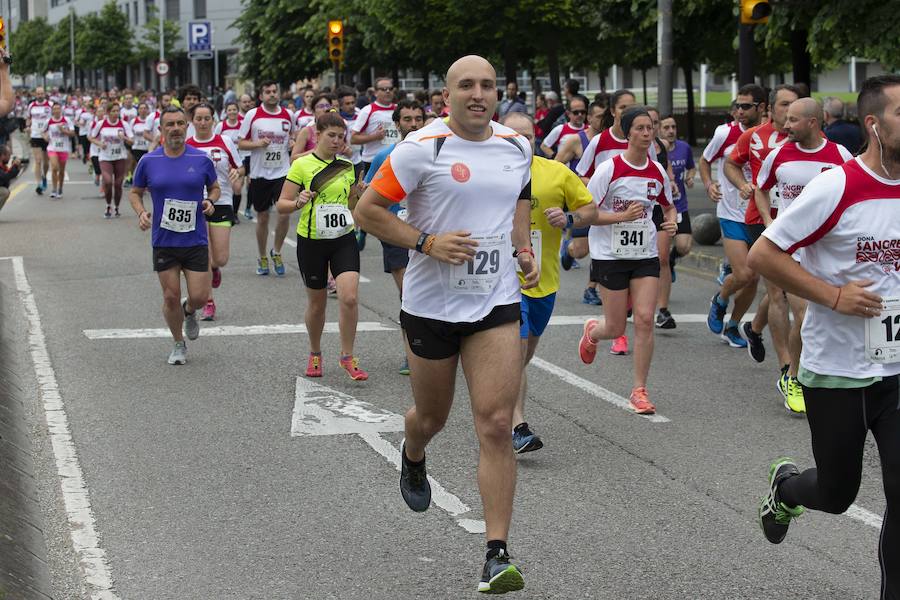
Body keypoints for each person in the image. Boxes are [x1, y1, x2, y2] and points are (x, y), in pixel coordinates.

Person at [355, 55, 537, 594]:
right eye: (466, 86)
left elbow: (520, 194)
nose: (478, 94)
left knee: (497, 424)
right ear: (447, 96)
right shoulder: (420, 149)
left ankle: (496, 553)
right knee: (431, 417)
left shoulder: (517, 145)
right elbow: (368, 210)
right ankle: (413, 451)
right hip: (431, 306)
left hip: (495, 300)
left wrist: (523, 246)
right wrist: (427, 242)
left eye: (487, 85)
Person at [749, 74, 900, 600]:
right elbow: (764, 255)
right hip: (839, 369)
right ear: (875, 124)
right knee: (838, 493)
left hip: (897, 369)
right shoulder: (838, 186)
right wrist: (833, 296)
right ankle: (787, 488)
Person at [502, 111, 598, 452]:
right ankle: (518, 428)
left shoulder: (556, 173)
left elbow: (591, 210)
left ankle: (495, 393)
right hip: (503, 282)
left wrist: (569, 217)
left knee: (521, 356)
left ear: (535, 139)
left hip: (544, 281)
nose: (520, 142)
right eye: (511, 136)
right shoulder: (490, 175)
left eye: (526, 136)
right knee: (513, 355)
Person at [754, 97, 853, 414]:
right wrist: (769, 222)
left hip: (825, 249)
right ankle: (792, 374)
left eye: (793, 120)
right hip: (788, 247)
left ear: (813, 122)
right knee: (801, 310)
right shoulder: (778, 155)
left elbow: (852, 196)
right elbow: (761, 188)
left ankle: (810, 370)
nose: (785, 125)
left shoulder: (840, 156)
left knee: (815, 314)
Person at [577, 106, 677, 414]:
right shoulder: (610, 169)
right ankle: (594, 331)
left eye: (651, 128)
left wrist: (670, 222)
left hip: (644, 253)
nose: (647, 134)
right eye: (641, 128)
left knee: (645, 319)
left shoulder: (657, 170)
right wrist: (622, 215)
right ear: (628, 132)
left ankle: (639, 390)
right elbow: (586, 214)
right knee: (616, 326)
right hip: (609, 255)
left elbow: (667, 207)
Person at [276, 111, 368, 381]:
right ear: (318, 135)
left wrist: (359, 194)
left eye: (341, 137)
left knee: (349, 297)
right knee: (317, 304)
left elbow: (350, 205)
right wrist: (298, 202)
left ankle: (347, 357)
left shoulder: (347, 166)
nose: (337, 141)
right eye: (331, 136)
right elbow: (282, 204)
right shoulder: (302, 166)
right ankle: (315, 352)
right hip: (312, 240)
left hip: (343, 238)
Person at [129, 106, 220, 365]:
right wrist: (141, 213)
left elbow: (214, 188)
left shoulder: (201, 159)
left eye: (180, 123)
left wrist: (210, 202)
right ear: (161, 130)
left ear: (187, 126)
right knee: (169, 295)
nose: (176, 129)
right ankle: (178, 343)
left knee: (201, 296)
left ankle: (189, 310)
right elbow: (135, 192)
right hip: (164, 240)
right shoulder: (149, 161)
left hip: (195, 239)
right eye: (170, 124)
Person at [727, 84, 802, 395]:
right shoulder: (756, 136)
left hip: (799, 222)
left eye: (795, 105)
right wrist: (743, 184)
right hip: (762, 220)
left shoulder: (813, 140)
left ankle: (754, 328)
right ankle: (787, 369)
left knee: (784, 288)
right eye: (785, 105)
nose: (790, 111)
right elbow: (731, 162)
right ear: (772, 108)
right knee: (779, 291)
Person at [361, 99, 426, 375]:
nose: (413, 125)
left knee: (428, 294)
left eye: (418, 119)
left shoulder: (437, 153)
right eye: (407, 119)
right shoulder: (384, 156)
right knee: (409, 293)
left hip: (428, 233)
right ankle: (411, 351)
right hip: (397, 235)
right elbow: (370, 201)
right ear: (397, 124)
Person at [701, 84, 766, 349]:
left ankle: (732, 325)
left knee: (754, 278)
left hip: (760, 215)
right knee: (744, 272)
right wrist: (709, 185)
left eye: (746, 106)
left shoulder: (769, 136)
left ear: (761, 108)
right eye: (737, 105)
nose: (739, 111)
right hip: (731, 212)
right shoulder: (724, 133)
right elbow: (705, 161)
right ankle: (720, 299)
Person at [186, 102, 244, 321]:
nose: (202, 122)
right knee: (205, 253)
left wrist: (238, 174)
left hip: (223, 200)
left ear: (213, 120)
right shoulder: (188, 145)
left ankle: (215, 268)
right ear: (192, 121)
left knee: (220, 258)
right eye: (198, 119)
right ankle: (209, 302)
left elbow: (239, 166)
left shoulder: (225, 141)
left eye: (206, 118)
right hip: (197, 203)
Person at [237, 80, 295, 276]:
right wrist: (258, 144)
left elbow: (292, 138)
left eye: (274, 91)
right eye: (268, 92)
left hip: (282, 172)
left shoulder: (288, 115)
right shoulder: (253, 115)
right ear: (261, 96)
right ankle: (262, 256)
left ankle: (276, 251)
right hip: (260, 173)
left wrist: (293, 143)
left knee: (284, 213)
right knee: (262, 217)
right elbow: (241, 143)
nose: (272, 94)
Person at [556, 99, 607, 305]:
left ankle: (591, 289)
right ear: (589, 118)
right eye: (599, 116)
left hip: (606, 203)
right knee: (581, 250)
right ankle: (568, 250)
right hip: (582, 202)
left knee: (602, 248)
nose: (603, 120)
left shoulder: (613, 141)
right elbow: (557, 166)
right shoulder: (575, 141)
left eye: (606, 116)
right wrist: (581, 181)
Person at [655, 115, 696, 329]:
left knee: (683, 246)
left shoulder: (683, 148)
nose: (671, 130)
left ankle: (670, 261)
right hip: (653, 210)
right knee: (659, 259)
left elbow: (691, 167)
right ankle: (661, 308)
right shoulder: (643, 148)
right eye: (666, 127)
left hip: (678, 205)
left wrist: (686, 179)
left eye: (673, 127)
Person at [89, 101, 134, 218]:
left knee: (118, 184)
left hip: (120, 157)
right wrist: (100, 143)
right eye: (113, 111)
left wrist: (123, 137)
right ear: (108, 112)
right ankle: (108, 205)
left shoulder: (124, 124)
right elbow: (91, 137)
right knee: (108, 182)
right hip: (105, 157)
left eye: (117, 111)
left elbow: (132, 141)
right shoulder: (101, 124)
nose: (116, 113)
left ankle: (117, 207)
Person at [350, 77, 397, 177]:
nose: (388, 91)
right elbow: (353, 139)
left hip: (395, 161)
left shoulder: (399, 109)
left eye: (390, 88)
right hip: (372, 162)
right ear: (375, 93)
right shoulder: (367, 111)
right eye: (383, 89)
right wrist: (374, 136)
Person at [214, 101, 246, 224]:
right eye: (229, 110)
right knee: (226, 186)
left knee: (237, 188)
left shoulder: (242, 125)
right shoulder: (221, 126)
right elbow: (215, 141)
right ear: (226, 112)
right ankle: (225, 209)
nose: (232, 112)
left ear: (238, 111)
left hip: (240, 159)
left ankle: (235, 214)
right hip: (225, 161)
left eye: (234, 110)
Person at [42, 102, 74, 199]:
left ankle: (60, 188)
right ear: (52, 111)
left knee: (61, 171)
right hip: (52, 148)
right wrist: (45, 137)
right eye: (54, 109)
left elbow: (72, 133)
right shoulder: (49, 121)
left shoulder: (66, 120)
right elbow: (43, 132)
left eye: (58, 109)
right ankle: (54, 189)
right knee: (54, 168)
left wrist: (64, 131)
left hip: (63, 148)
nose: (56, 110)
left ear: (61, 110)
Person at [291, 93, 336, 160]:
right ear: (313, 112)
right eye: (321, 106)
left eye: (327, 106)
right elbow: (293, 159)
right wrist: (314, 152)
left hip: (332, 169)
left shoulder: (336, 129)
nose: (325, 109)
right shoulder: (307, 131)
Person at [26, 86, 52, 195]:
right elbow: (28, 118)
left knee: (46, 162)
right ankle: (39, 184)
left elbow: (53, 120)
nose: (40, 95)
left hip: (46, 136)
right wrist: (28, 126)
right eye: (38, 94)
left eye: (41, 93)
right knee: (37, 160)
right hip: (35, 135)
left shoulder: (50, 105)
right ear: (35, 95)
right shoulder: (31, 105)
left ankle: (44, 176)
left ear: (44, 94)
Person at [0, 144, 22, 213]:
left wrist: (16, 167)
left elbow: (7, 177)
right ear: (3, 156)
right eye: (8, 155)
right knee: (4, 192)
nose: (9, 158)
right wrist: (14, 166)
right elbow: (5, 177)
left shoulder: (2, 165)